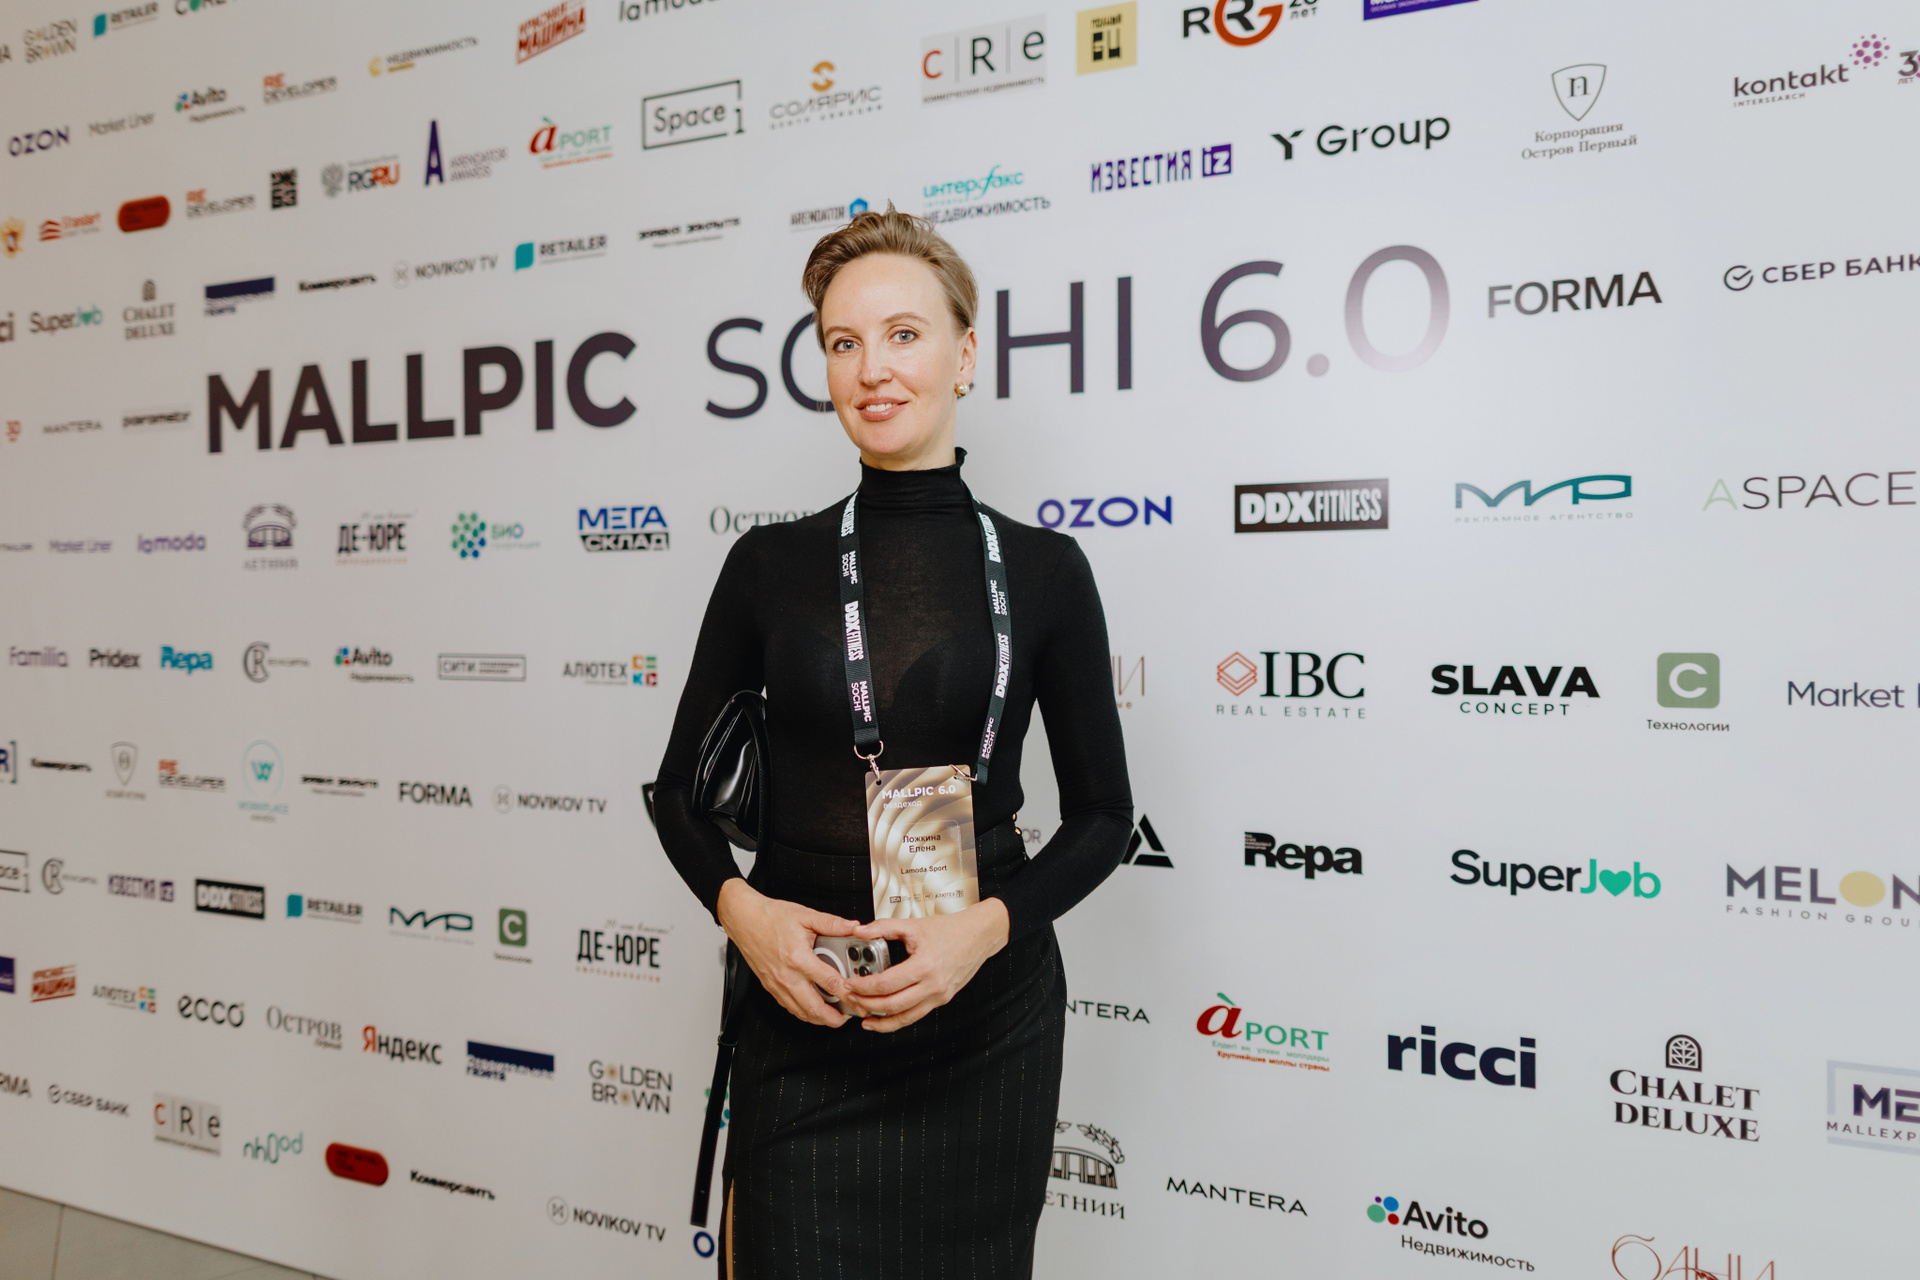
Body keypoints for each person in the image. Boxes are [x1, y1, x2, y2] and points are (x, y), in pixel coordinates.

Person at [652, 206, 1133, 1279]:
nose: (872, 369)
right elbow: (675, 794)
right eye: (844, 341)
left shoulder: (1046, 570)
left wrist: (983, 933)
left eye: (904, 334)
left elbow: (1106, 815)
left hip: (984, 1014)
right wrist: (746, 916)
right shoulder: (768, 565)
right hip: (806, 1004)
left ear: (965, 355)